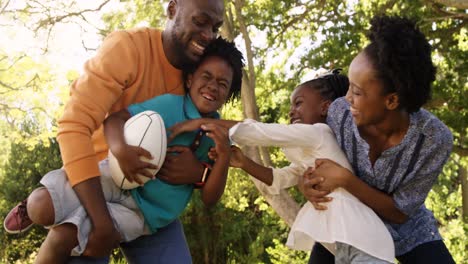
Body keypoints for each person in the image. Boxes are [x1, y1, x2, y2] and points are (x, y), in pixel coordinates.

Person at [3, 0, 226, 262]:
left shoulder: (202, 77)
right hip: (97, 184)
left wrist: (199, 173)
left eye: (216, 27)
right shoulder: (128, 48)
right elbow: (74, 125)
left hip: (149, 206)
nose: (208, 35)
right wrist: (102, 223)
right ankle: (53, 205)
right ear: (173, 8)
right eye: (200, 22)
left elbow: (220, 141)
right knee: (52, 219)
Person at [169, 70, 395, 263]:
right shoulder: (313, 154)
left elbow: (259, 132)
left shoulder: (320, 134)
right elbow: (280, 178)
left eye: (298, 103)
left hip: (364, 239)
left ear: (325, 107)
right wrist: (244, 163)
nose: (291, 111)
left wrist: (200, 122)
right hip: (343, 243)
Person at [300, 16, 455, 264]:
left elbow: (400, 213)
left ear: (392, 101)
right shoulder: (339, 114)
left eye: (357, 92)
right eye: (349, 87)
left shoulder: (435, 140)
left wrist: (346, 179)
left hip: (407, 234)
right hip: (348, 226)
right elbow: (313, 163)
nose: (347, 97)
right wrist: (306, 184)